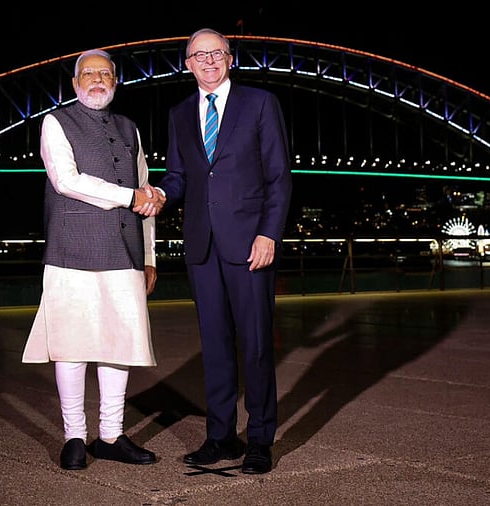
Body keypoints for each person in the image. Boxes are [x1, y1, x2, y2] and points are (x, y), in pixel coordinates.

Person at [155, 28, 292, 474]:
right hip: (202, 244)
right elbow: (179, 176)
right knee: (214, 346)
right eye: (199, 55)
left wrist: (269, 233)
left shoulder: (259, 103)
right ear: (188, 64)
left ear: (230, 58)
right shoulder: (178, 114)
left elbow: (278, 176)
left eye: (217, 53)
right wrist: (156, 193)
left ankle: (259, 440)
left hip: (250, 242)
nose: (209, 60)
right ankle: (220, 437)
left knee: (254, 344)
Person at [22, 48, 163, 471]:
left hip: (125, 252)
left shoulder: (129, 128)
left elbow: (145, 190)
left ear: (115, 82)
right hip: (72, 249)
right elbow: (66, 181)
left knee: (119, 342)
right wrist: (130, 197)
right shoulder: (55, 122)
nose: (97, 80)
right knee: (72, 344)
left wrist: (150, 255)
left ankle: (112, 435)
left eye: (105, 74)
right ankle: (74, 437)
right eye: (89, 74)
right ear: (75, 83)